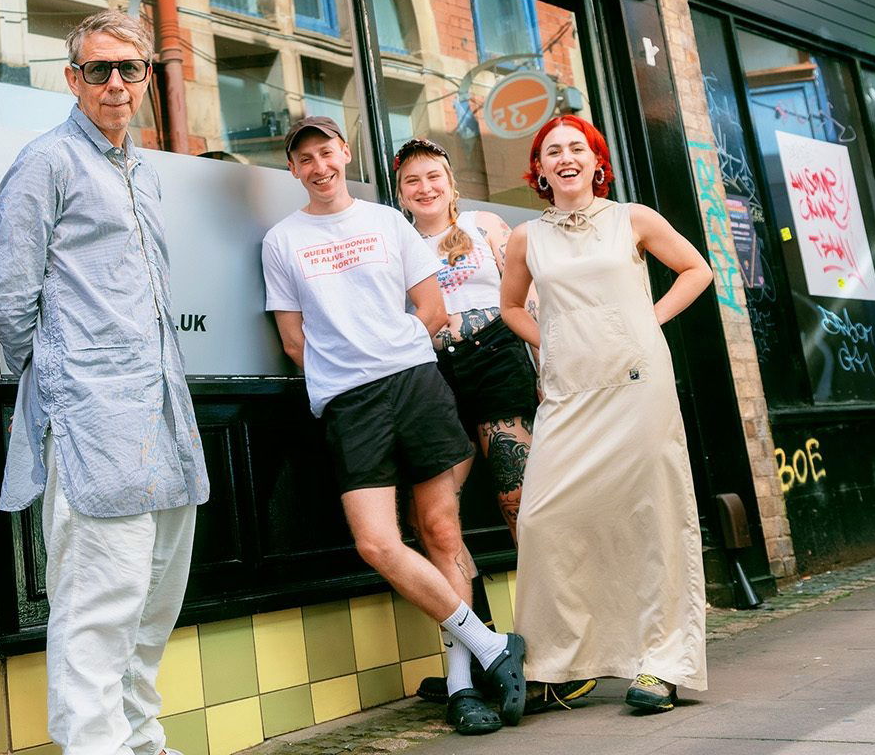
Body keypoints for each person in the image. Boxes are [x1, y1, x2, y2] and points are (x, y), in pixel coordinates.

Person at [0, 8, 208, 755]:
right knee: (98, 611)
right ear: (72, 79)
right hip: (95, 425)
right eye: (99, 69)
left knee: (154, 605)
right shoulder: (46, 161)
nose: (116, 83)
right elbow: (7, 296)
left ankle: (144, 742)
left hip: (164, 419)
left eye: (130, 68)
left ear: (147, 77)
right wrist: (61, 380)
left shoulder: (140, 168)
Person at [262, 117, 528, 736]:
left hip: (415, 384)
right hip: (349, 404)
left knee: (440, 529)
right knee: (377, 542)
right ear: (293, 170)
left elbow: (431, 309)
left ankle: (462, 686)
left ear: (345, 154)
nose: (319, 166)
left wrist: (389, 350)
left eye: (326, 152)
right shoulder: (282, 240)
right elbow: (293, 341)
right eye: (304, 158)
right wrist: (347, 367)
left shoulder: (386, 222)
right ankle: (492, 647)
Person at [497, 114, 715, 715]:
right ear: (538, 169)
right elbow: (511, 307)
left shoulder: (632, 218)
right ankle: (559, 665)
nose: (564, 158)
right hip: (569, 391)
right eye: (551, 151)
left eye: (576, 148)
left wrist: (652, 319)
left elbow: (698, 269)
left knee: (654, 516)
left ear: (597, 161)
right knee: (544, 520)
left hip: (637, 382)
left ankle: (662, 664)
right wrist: (554, 340)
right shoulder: (525, 238)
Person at [391, 138, 538, 539]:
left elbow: (531, 301)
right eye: (412, 181)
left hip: (497, 358)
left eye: (433, 176)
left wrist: (546, 369)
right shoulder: (396, 249)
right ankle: (465, 604)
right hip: (434, 373)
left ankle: (545, 600)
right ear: (401, 193)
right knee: (429, 518)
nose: (425, 188)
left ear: (451, 182)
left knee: (518, 499)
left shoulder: (484, 225)